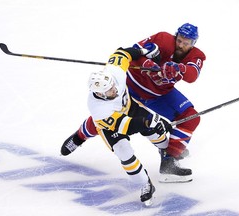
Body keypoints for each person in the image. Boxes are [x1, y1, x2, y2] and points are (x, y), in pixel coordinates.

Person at [61, 23, 206, 183]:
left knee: (191, 117)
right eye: (179, 40)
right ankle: (79, 137)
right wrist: (146, 63)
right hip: (130, 86)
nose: (181, 45)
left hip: (158, 95)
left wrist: (179, 69)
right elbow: (133, 50)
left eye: (186, 43)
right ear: (176, 36)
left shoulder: (197, 56)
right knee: (108, 120)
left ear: (194, 43)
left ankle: (169, 159)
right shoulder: (163, 39)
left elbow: (192, 75)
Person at [72, 46, 173, 206]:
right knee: (124, 152)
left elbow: (122, 53)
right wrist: (149, 122)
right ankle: (145, 183)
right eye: (109, 90)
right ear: (100, 94)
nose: (114, 89)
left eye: (113, 85)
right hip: (112, 126)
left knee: (155, 131)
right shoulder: (99, 109)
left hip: (129, 107)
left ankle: (165, 151)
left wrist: (143, 51)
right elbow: (126, 126)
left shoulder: (115, 72)